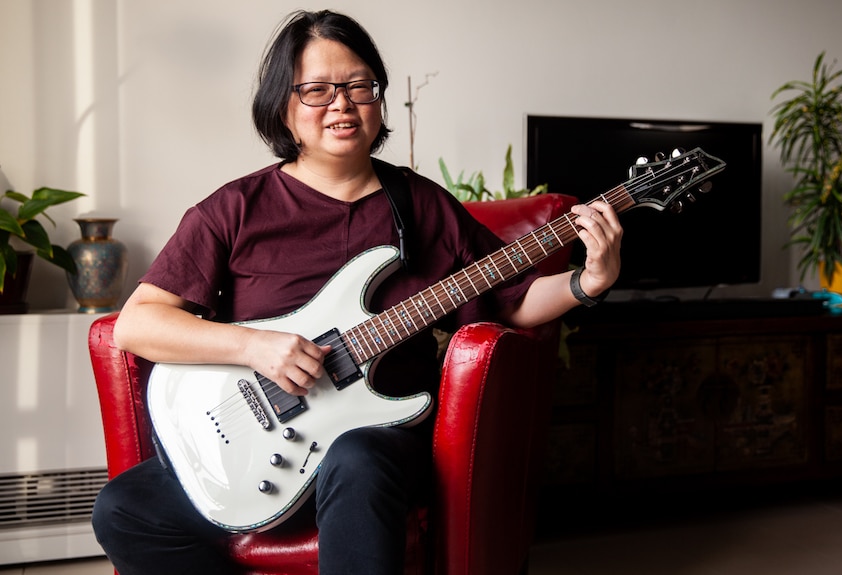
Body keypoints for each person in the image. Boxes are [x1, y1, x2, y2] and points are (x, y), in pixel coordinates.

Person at [91, 9, 622, 575]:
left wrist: (587, 283)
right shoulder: (234, 208)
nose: (342, 104)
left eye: (359, 87)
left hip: (380, 440)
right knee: (125, 508)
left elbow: (511, 301)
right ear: (283, 108)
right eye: (317, 90)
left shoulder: (420, 204)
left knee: (357, 456)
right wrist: (253, 347)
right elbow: (138, 324)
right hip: (255, 446)